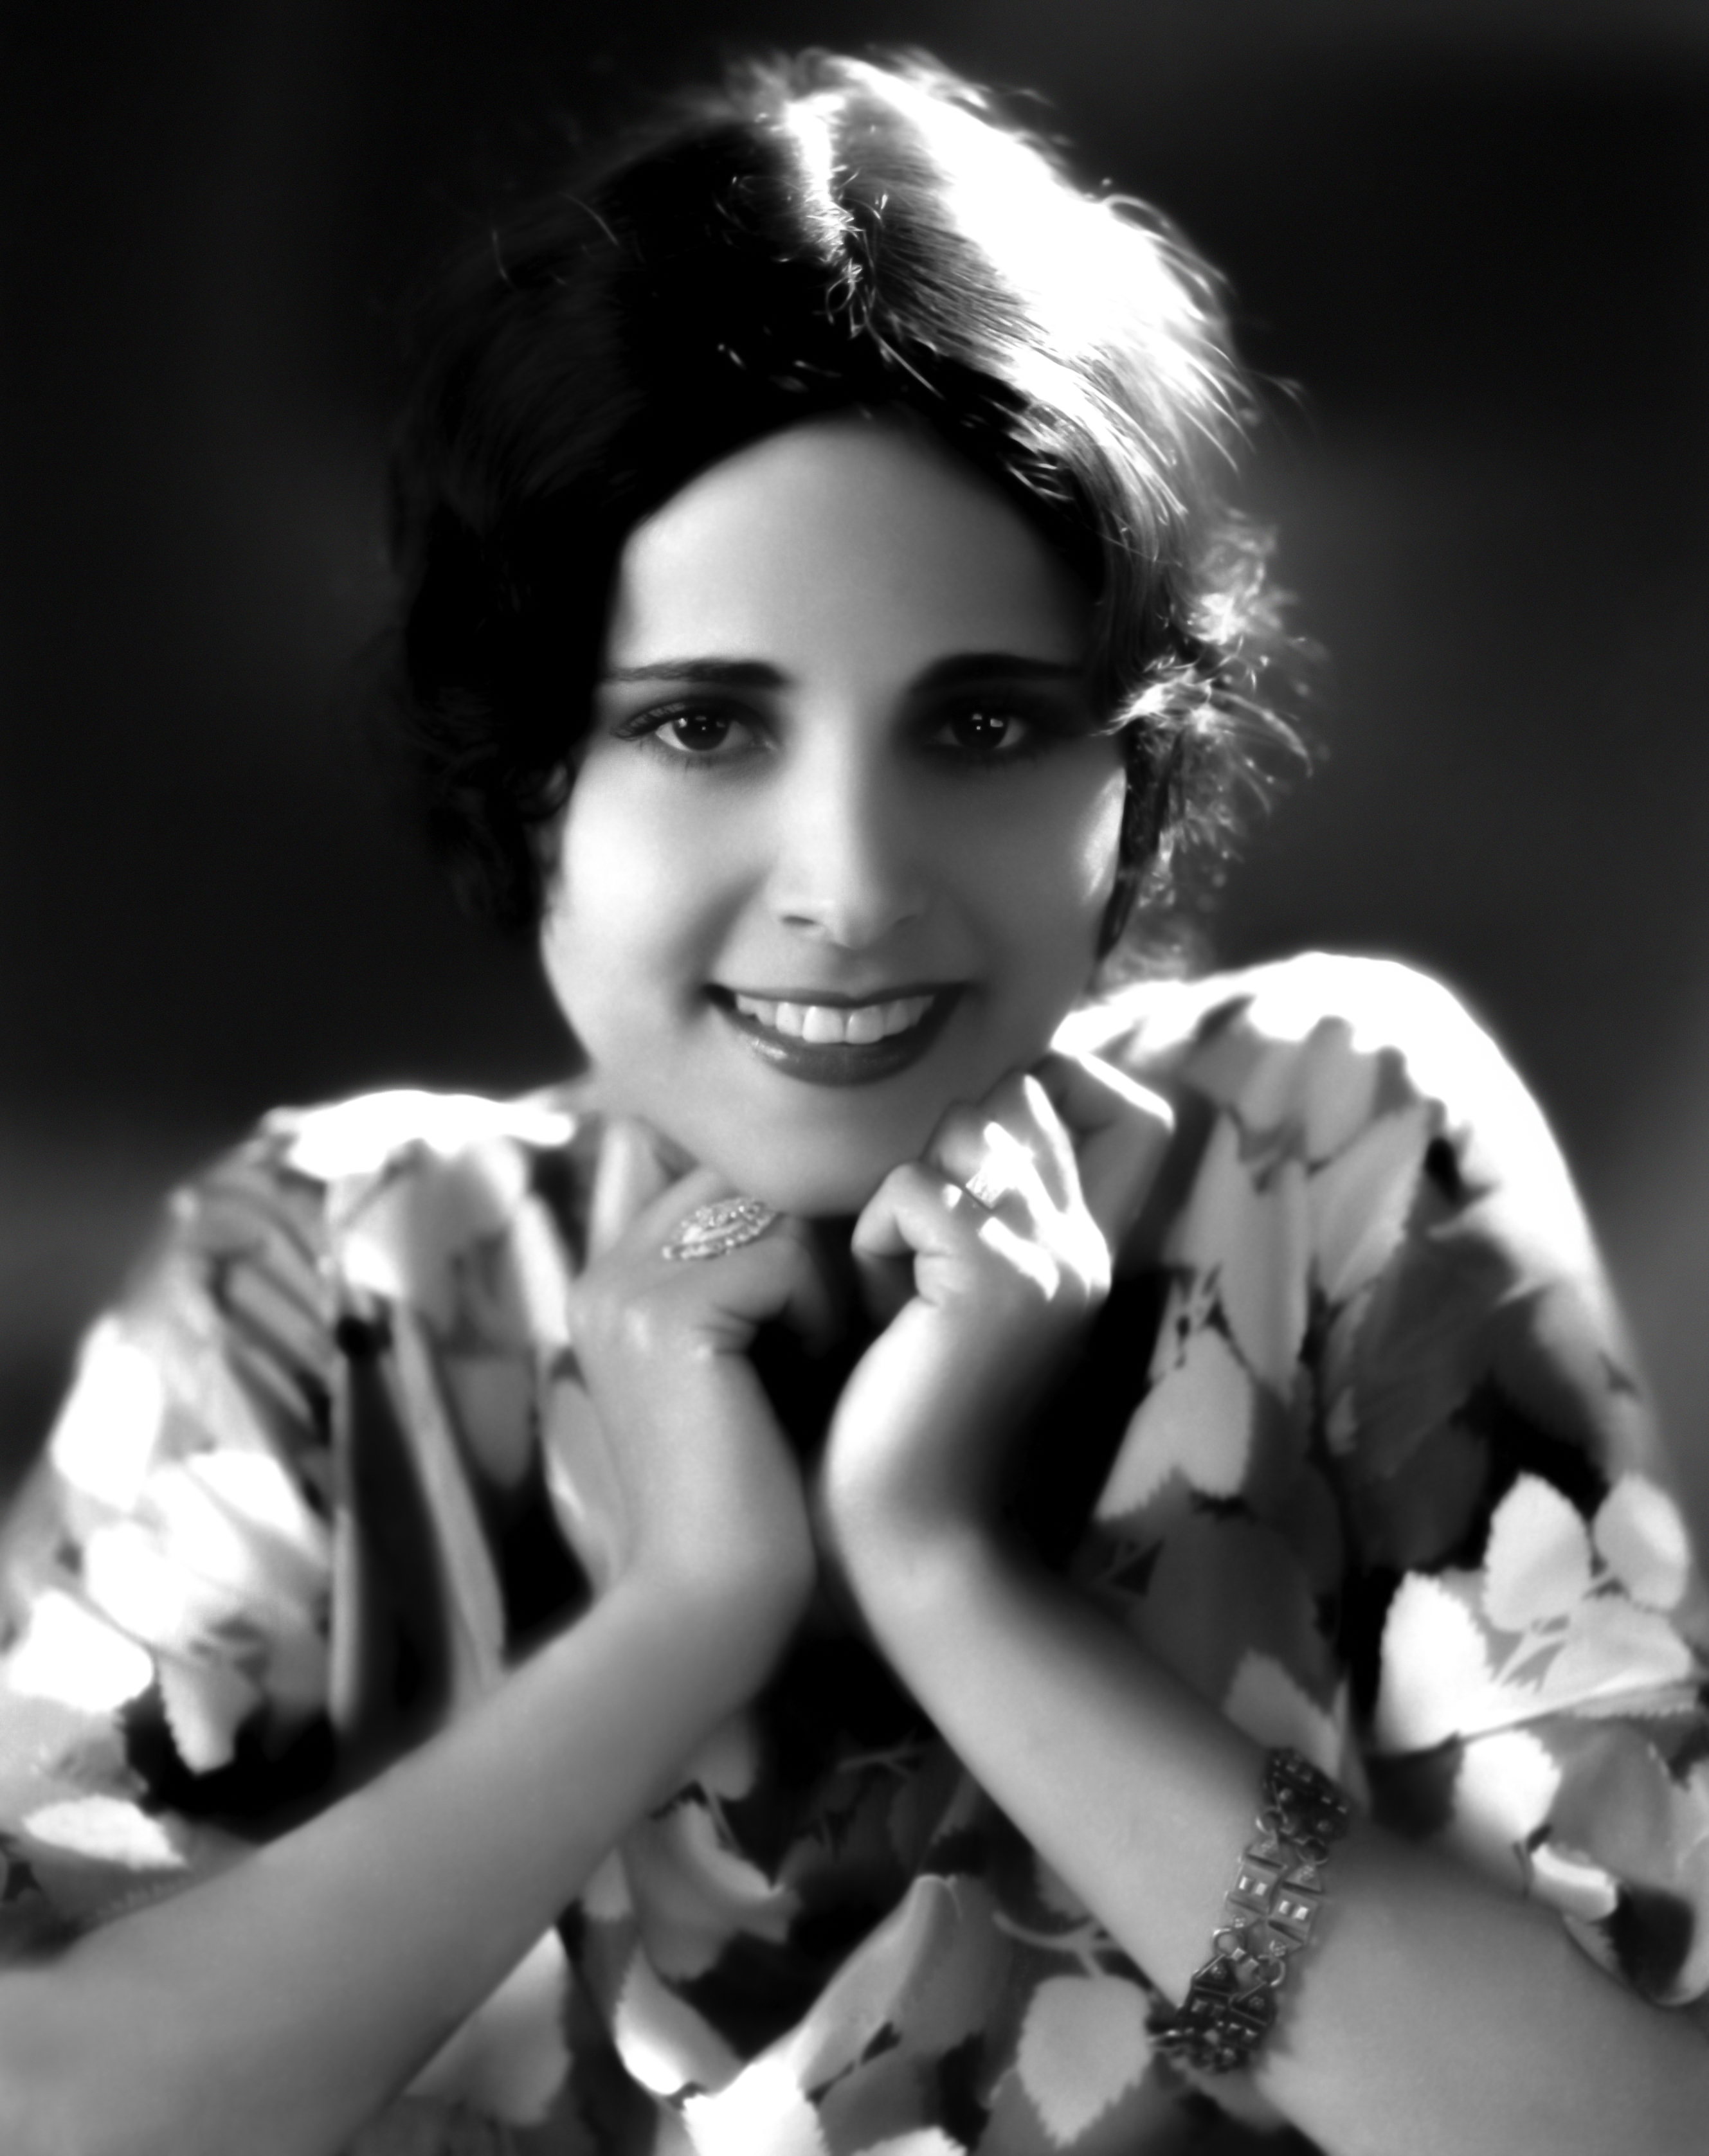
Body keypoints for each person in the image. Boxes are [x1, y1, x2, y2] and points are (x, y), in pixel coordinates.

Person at [0, 47, 1704, 2156]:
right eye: (703, 725)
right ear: (524, 770)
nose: (851, 885)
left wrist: (951, 1579)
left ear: (1134, 769)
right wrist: (677, 1622)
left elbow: (1634, 2123)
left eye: (979, 724)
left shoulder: (1327, 1148)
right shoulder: (319, 1276)